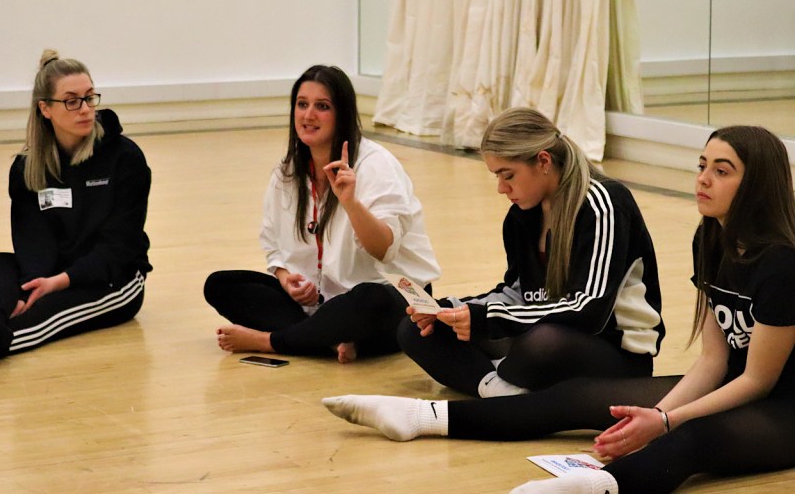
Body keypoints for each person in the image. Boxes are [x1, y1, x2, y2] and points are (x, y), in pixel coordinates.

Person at [323, 125, 795, 494]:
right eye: (701, 165)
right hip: (737, 384)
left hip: (782, 404)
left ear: (756, 185)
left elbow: (758, 380)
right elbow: (714, 360)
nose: (703, 179)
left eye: (722, 170)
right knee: (573, 399)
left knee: (693, 441)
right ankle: (422, 417)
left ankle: (596, 486)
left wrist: (667, 421)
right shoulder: (710, 238)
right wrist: (654, 416)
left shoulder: (780, 263)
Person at [399, 108, 664, 397]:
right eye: (497, 177)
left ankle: (494, 376)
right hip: (540, 330)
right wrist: (451, 310)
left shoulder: (603, 203)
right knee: (414, 330)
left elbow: (589, 310)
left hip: (612, 351)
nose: (501, 188)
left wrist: (487, 318)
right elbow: (518, 292)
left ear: (543, 161)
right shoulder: (520, 216)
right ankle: (500, 389)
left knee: (539, 345)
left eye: (508, 175)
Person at [203, 64, 440, 363]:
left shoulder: (377, 165)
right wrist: (287, 278)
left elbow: (384, 249)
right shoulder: (287, 172)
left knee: (367, 300)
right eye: (302, 105)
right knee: (221, 285)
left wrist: (351, 203)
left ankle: (271, 341)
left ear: (342, 113)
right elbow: (273, 244)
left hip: (393, 298)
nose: (308, 115)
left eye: (322, 107)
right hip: (324, 305)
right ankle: (327, 340)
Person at [0, 49, 151, 367]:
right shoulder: (27, 167)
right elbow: (31, 239)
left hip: (112, 280)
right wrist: (31, 286)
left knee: (51, 313)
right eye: (72, 100)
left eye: (90, 98)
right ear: (45, 109)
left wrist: (57, 283)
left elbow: (119, 247)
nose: (85, 109)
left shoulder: (125, 158)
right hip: (53, 269)